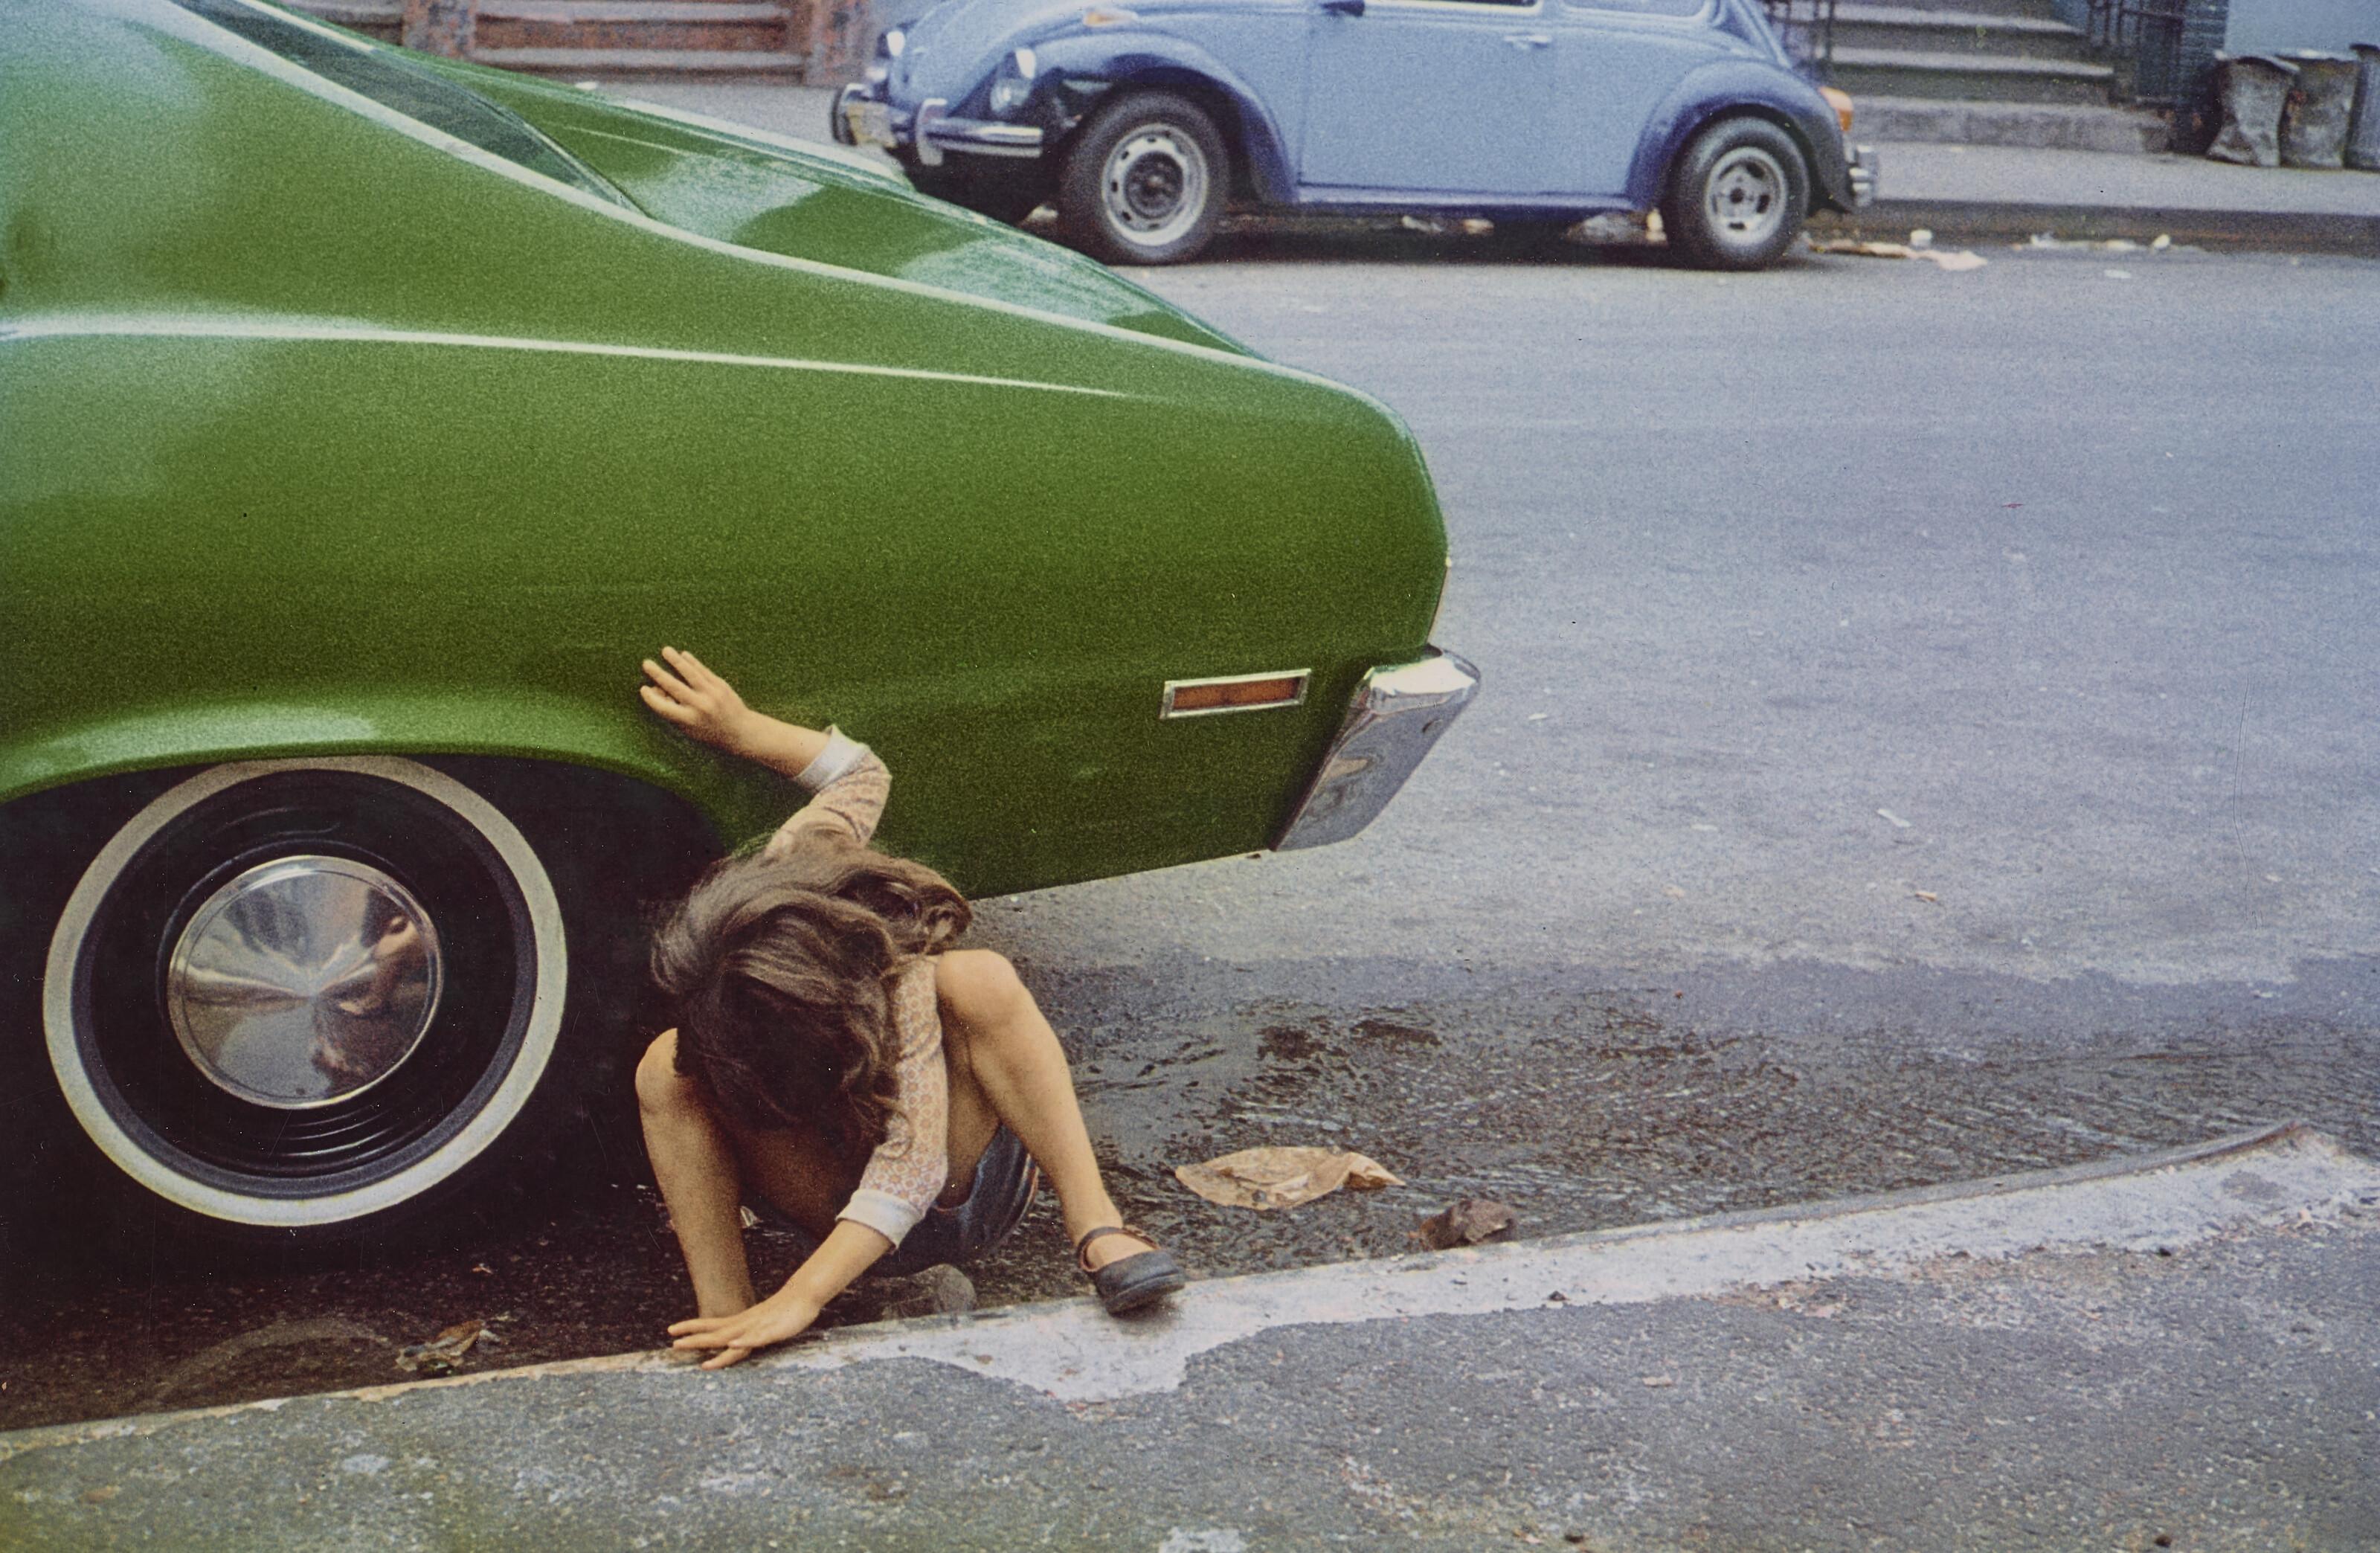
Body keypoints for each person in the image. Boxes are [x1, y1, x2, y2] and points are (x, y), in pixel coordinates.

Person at [632, 646, 1184, 1369]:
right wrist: (742, 731)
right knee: (663, 1066)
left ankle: (1098, 1227)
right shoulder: (795, 862)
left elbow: (909, 1172)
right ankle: (726, 1313)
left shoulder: (902, 982)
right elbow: (861, 772)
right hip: (818, 1193)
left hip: (945, 1205)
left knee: (980, 980)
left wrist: (803, 1297)